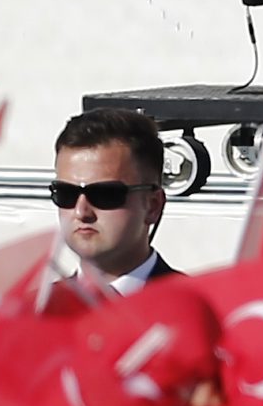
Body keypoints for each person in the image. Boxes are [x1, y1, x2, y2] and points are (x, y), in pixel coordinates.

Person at [49, 106, 177, 290]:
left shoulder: (199, 311)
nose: (81, 211)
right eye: (66, 193)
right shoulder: (32, 314)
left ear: (153, 206)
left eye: (105, 194)